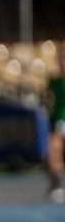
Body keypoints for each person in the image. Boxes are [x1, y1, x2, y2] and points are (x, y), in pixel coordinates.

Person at [47, 70, 65, 204]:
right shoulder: (54, 81)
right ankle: (57, 185)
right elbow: (47, 96)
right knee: (54, 150)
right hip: (59, 121)